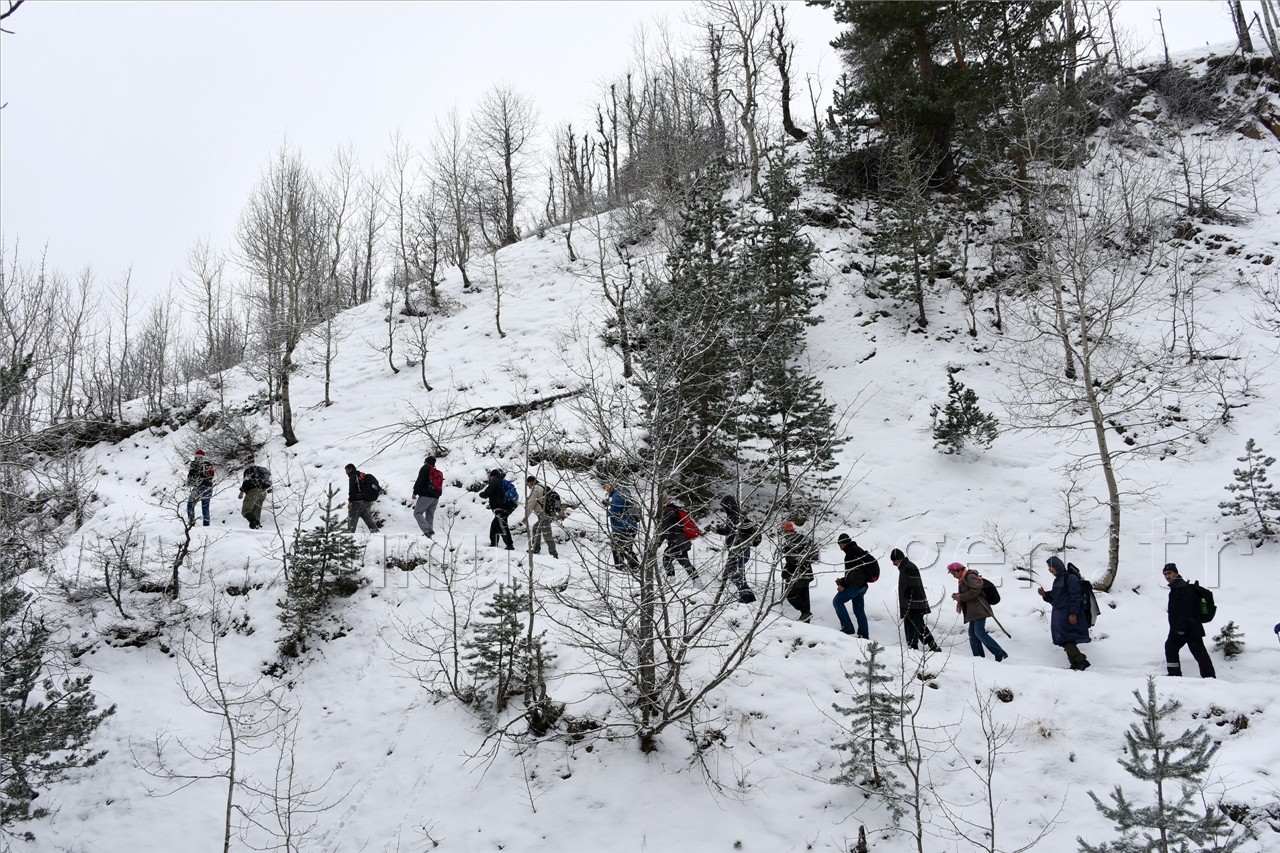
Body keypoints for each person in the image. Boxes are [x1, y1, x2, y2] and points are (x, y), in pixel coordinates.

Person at [1037, 556, 1091, 670]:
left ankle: (1081, 660)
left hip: (1067, 614)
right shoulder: (1058, 579)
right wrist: (1045, 595)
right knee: (1065, 639)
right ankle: (1075, 664)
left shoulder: (1070, 578)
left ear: (1057, 566)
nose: (1049, 569)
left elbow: (1075, 596)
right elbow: (1056, 597)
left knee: (1065, 639)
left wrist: (1073, 613)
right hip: (1059, 614)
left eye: (1050, 567)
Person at [1162, 563, 1215, 678]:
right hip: (1180, 629)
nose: (1167, 576)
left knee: (1200, 654)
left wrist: (1181, 628)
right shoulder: (1175, 589)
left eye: (1169, 573)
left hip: (1190, 629)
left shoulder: (1184, 588)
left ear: (1176, 573)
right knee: (1170, 647)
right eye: (1165, 574)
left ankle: (1209, 677)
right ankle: (1174, 674)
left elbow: (1186, 609)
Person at [948, 562, 1007, 661]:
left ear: (959, 570)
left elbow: (976, 590)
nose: (954, 576)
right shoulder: (964, 579)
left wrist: (961, 597)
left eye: (954, 574)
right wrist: (958, 595)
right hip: (973, 611)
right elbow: (970, 591)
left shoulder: (969, 576)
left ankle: (999, 653)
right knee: (973, 634)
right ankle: (979, 657)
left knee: (979, 632)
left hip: (979, 609)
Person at [891, 548, 939, 651]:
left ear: (898, 559)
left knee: (912, 626)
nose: (893, 563)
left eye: (894, 561)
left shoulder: (908, 567)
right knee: (920, 625)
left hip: (913, 604)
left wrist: (910, 603)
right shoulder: (906, 567)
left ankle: (913, 647)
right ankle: (932, 645)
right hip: (913, 604)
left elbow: (915, 587)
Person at [713, 495, 757, 604]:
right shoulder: (737, 514)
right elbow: (733, 530)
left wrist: (717, 531)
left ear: (729, 505)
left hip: (739, 549)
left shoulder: (735, 515)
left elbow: (731, 531)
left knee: (734, 573)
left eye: (724, 506)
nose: (723, 509)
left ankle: (746, 597)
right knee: (737, 573)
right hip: (740, 548)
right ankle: (747, 596)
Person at [833, 533, 874, 638]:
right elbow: (855, 573)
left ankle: (848, 628)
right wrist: (843, 581)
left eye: (840, 545)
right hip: (862, 587)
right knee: (859, 610)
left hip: (856, 586)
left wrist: (843, 585)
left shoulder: (851, 553)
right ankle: (864, 635)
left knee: (837, 601)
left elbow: (854, 575)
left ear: (844, 543)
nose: (840, 548)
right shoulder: (858, 550)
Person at [779, 520, 816, 623]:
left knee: (790, 595)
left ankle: (805, 613)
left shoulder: (790, 543)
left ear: (785, 531)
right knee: (804, 596)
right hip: (807, 573)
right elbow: (813, 555)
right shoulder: (804, 538)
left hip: (798, 575)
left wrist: (787, 570)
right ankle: (806, 620)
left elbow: (793, 560)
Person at [603, 482, 640, 572]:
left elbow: (616, 510)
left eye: (606, 487)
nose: (606, 489)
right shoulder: (623, 493)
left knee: (618, 547)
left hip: (623, 526)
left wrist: (608, 510)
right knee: (626, 547)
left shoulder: (618, 494)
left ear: (611, 485)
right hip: (629, 525)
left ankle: (621, 567)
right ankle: (634, 566)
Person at [478, 469, 517, 550]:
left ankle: (510, 545)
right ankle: (494, 543)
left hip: (502, 508)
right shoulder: (502, 481)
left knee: (502, 526)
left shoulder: (495, 482)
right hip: (507, 507)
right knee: (495, 525)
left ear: (493, 476)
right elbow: (499, 495)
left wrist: (481, 494)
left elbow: (487, 493)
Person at [524, 475, 559, 559]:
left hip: (544, 514)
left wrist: (526, 516)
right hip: (550, 512)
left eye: (528, 484)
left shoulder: (535, 488)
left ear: (531, 482)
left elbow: (531, 503)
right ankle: (535, 549)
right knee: (536, 528)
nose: (529, 486)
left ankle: (553, 554)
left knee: (547, 534)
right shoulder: (544, 486)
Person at [660, 502, 696, 579]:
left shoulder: (667, 513)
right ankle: (698, 582)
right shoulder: (673, 511)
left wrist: (657, 544)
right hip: (681, 541)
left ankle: (671, 582)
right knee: (685, 562)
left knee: (667, 558)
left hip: (678, 542)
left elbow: (663, 530)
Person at [411, 455, 443, 538]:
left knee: (417, 513)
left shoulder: (425, 468)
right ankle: (428, 536)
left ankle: (427, 531)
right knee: (429, 515)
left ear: (426, 462)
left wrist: (415, 492)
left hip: (426, 495)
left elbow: (420, 480)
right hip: (435, 497)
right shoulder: (436, 471)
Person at [344, 463, 381, 533]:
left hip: (357, 502)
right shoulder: (362, 476)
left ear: (351, 469)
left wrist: (350, 501)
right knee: (368, 519)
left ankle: (349, 538)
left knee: (352, 520)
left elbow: (352, 490)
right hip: (367, 501)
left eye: (346, 470)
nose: (346, 473)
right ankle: (376, 534)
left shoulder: (353, 476)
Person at [237, 456, 271, 530]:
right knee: (257, 511)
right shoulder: (261, 470)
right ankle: (257, 526)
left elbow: (246, 482)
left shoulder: (249, 470)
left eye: (245, 462)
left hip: (253, 491)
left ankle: (253, 523)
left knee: (246, 510)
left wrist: (241, 492)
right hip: (263, 492)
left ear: (248, 462)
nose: (244, 464)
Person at [186, 449, 215, 527]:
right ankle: (206, 525)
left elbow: (191, 478)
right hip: (209, 487)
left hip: (199, 486)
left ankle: (191, 522)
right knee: (205, 507)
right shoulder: (208, 464)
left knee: (190, 504)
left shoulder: (195, 464)